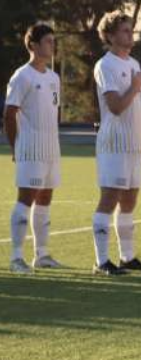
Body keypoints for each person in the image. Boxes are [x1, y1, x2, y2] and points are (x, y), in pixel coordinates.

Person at [90, 12, 141, 276]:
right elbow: (116, 106)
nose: (131, 34)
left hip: (132, 144)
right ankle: (101, 261)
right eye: (125, 30)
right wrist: (134, 87)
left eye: (131, 30)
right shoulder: (105, 65)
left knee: (130, 201)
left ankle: (127, 257)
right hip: (114, 143)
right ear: (110, 36)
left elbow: (137, 109)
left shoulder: (134, 64)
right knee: (109, 199)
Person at [4, 23, 64, 273]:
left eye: (53, 41)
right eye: (48, 41)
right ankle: (17, 257)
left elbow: (54, 110)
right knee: (25, 199)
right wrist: (16, 146)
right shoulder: (22, 76)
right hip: (30, 148)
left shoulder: (53, 77)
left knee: (45, 200)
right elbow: (9, 114)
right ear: (33, 45)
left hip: (51, 148)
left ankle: (42, 254)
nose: (52, 45)